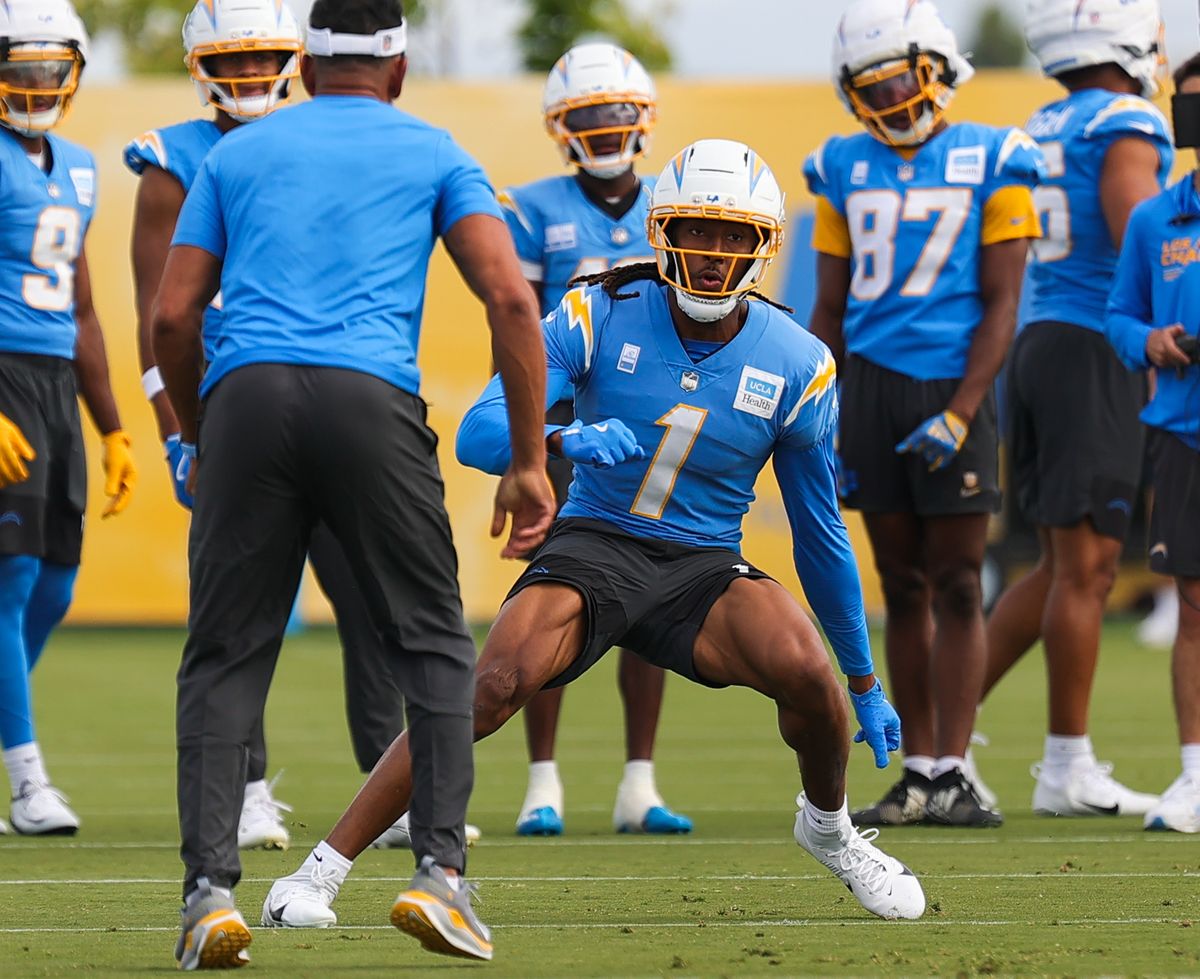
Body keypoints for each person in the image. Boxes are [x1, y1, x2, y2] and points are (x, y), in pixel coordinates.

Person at [262, 139, 927, 954]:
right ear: (661, 230)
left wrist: (863, 677)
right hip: (596, 542)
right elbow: (477, 432)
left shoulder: (800, 363)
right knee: (493, 681)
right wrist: (565, 438)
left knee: (813, 683)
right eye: (696, 229)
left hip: (703, 565)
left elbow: (820, 534)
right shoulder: (596, 309)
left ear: (763, 244)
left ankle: (831, 832)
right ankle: (318, 870)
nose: (713, 254)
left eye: (733, 236)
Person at [151, 0, 555, 968]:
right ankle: (440, 878)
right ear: (399, 67)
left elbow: (172, 317)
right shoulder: (434, 150)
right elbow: (508, 296)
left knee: (223, 654)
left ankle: (209, 895)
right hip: (368, 400)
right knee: (431, 643)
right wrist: (532, 460)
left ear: (306, 65)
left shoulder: (233, 156)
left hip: (243, 396)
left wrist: (203, 440)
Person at [124, 0, 456, 855]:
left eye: (261, 59)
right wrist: (177, 428)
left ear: (300, 61)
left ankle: (385, 781)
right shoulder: (183, 157)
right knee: (243, 622)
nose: (245, 80)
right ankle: (247, 792)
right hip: (243, 402)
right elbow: (160, 315)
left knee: (365, 604)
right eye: (228, 63)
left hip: (255, 407)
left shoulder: (313, 136)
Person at [806, 0, 1044, 827]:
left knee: (957, 582)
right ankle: (917, 767)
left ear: (937, 66)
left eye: (901, 78)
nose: (892, 98)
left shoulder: (997, 156)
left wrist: (966, 406)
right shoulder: (838, 164)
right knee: (900, 585)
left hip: (955, 383)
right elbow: (828, 307)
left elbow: (1004, 302)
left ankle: (955, 764)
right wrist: (817, 400)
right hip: (868, 385)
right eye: (871, 85)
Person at [976, 0, 1169, 817]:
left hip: (1041, 342)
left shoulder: (1043, 121)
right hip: (1095, 345)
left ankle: (937, 730)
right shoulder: (1124, 122)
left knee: (1061, 566)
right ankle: (1067, 764)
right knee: (1086, 568)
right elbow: (1146, 235)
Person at [497, 41, 689, 837]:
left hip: (659, 426)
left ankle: (637, 782)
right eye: (590, 114)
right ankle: (543, 781)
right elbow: (515, 325)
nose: (608, 127)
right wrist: (535, 440)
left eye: (618, 112)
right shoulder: (534, 209)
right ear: (560, 124)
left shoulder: (673, 205)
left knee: (653, 588)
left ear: (642, 118)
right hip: (567, 427)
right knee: (553, 593)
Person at [0, 0, 137, 838]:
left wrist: (113, 425)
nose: (35, 83)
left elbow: (84, 309)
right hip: (3, 375)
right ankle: (26, 780)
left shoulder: (81, 167)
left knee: (54, 584)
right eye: (20, 66)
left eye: (50, 67)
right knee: (9, 581)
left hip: (56, 386)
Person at [1105, 51, 1200, 834]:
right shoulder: (1155, 217)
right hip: (1182, 431)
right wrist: (1152, 342)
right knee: (1195, 608)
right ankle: (1196, 776)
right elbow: (1117, 317)